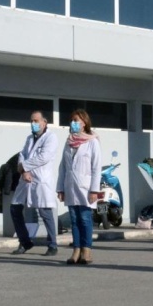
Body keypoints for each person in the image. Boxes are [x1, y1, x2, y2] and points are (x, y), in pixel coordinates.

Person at [56, 109, 102, 265]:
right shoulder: (69, 141)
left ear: (84, 123)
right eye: (72, 120)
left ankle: (86, 250)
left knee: (84, 218)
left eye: (77, 120)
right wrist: (60, 188)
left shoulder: (92, 141)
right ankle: (76, 249)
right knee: (74, 220)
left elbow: (96, 167)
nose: (73, 123)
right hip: (70, 186)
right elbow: (62, 167)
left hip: (86, 187)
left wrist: (94, 190)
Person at [11, 110, 59, 256]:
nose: (33, 124)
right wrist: (23, 171)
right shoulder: (29, 138)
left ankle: (52, 244)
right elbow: (22, 155)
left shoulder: (51, 137)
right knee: (15, 208)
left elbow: (44, 157)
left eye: (36, 121)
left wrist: (25, 166)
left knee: (45, 212)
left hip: (41, 180)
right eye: (31, 121)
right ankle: (25, 241)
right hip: (25, 179)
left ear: (44, 122)